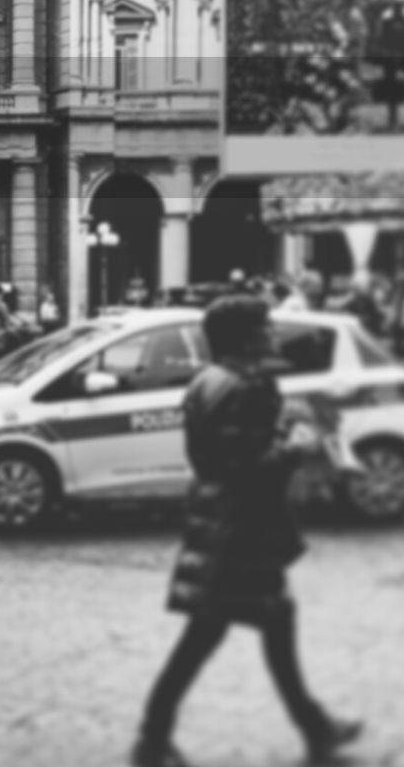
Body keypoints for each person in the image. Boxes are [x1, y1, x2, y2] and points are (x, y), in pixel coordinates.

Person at [130, 294, 362, 767]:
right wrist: (296, 446)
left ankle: (314, 727)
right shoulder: (249, 387)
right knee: (224, 630)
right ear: (246, 337)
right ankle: (154, 738)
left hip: (220, 518)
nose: (274, 333)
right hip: (244, 526)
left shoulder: (206, 381)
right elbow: (243, 466)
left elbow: (213, 459)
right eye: (266, 326)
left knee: (240, 627)